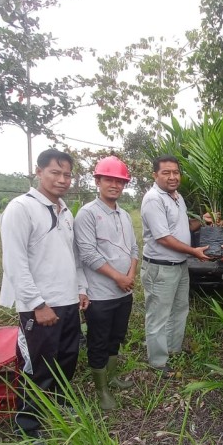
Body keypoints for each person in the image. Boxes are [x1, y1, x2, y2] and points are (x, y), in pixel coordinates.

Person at [0, 149, 88, 439]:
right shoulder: (20, 208)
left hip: (67, 301)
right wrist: (37, 304)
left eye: (67, 175)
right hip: (40, 305)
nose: (62, 180)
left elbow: (72, 256)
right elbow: (15, 261)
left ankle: (60, 404)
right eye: (55, 172)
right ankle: (29, 430)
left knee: (66, 358)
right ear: (38, 172)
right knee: (38, 367)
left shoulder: (64, 211)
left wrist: (80, 289)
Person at [74, 156, 138, 410]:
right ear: (97, 181)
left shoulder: (123, 214)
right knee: (98, 341)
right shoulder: (88, 214)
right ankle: (101, 391)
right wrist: (118, 277)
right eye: (109, 180)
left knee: (116, 337)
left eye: (120, 181)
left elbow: (133, 247)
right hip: (100, 294)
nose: (115, 185)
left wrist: (131, 274)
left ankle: (112, 378)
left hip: (124, 291)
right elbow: (88, 254)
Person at [140, 155, 209, 376]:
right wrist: (193, 252)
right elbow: (164, 238)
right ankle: (158, 362)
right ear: (155, 175)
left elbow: (184, 226)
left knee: (179, 310)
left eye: (176, 172)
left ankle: (172, 349)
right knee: (159, 314)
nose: (172, 176)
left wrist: (203, 221)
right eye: (166, 172)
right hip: (160, 267)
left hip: (179, 265)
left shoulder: (176, 197)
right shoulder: (153, 199)